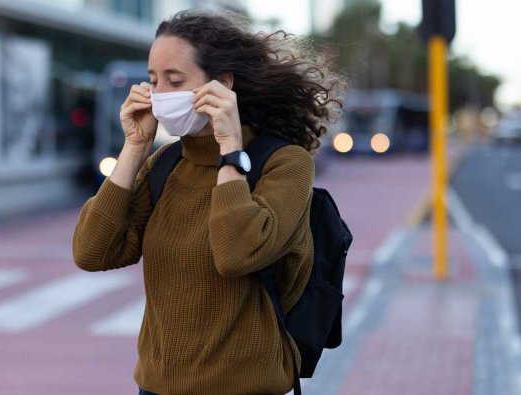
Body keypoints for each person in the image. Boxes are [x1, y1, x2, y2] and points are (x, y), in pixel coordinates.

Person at [73, 9, 344, 395]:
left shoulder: (284, 163)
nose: (160, 95)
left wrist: (230, 149)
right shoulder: (166, 164)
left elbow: (236, 253)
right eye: (152, 81)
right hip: (155, 387)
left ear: (221, 85)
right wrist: (134, 147)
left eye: (174, 80)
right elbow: (91, 251)